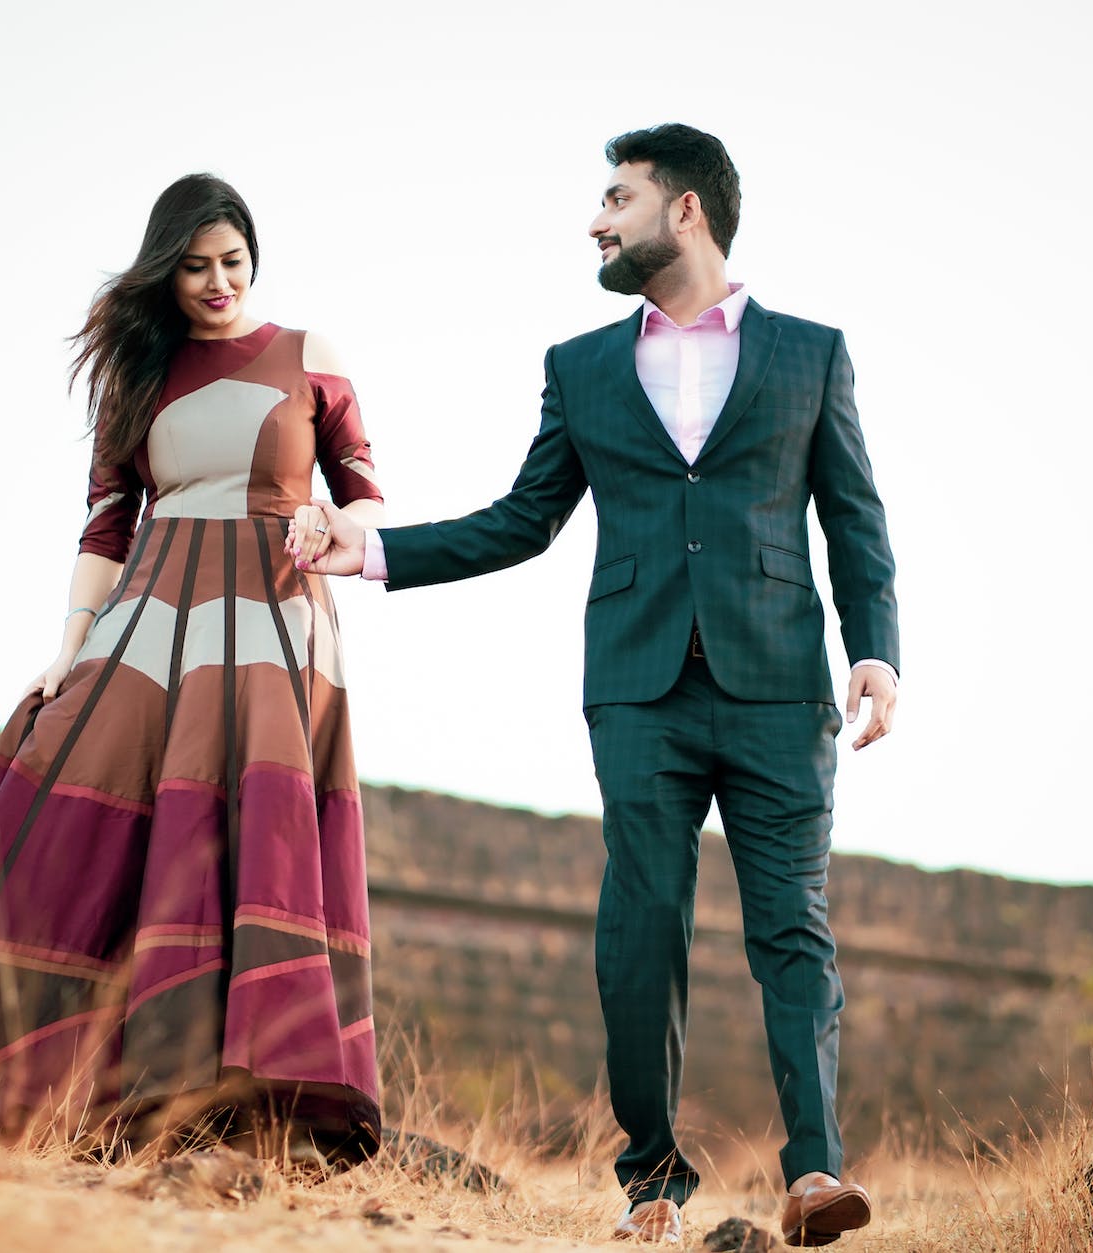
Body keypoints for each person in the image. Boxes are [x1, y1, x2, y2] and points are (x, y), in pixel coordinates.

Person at [293, 124, 899, 1245]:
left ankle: (814, 1172)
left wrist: (874, 648)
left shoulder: (812, 352)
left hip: (779, 684)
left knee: (792, 931)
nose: (594, 218)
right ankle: (651, 1183)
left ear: (684, 211)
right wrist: (367, 551)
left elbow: (853, 520)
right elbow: (522, 521)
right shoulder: (577, 366)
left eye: (615, 196)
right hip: (636, 687)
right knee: (639, 926)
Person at [0, 174, 386, 1164]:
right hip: (150, 620)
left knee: (252, 840)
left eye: (232, 263)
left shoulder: (309, 356)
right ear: (168, 269)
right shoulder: (140, 371)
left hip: (273, 624)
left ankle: (254, 1104)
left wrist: (334, 523)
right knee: (75, 789)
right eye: (194, 266)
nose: (215, 282)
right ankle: (98, 1090)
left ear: (254, 260)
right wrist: (69, 649)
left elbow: (367, 495)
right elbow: (107, 524)